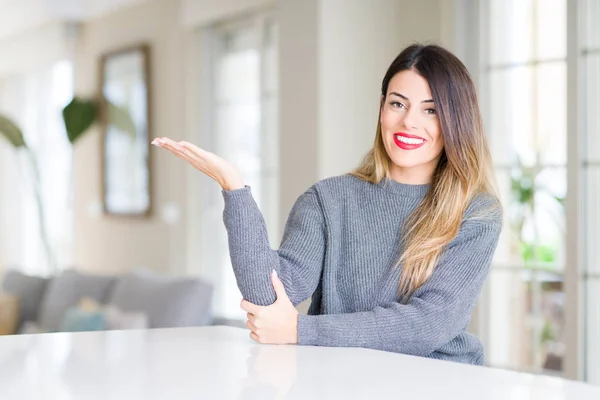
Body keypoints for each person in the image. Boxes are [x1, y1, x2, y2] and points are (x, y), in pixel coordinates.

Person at [152, 43, 502, 365]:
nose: (409, 121)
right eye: (398, 103)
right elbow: (269, 296)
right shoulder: (327, 200)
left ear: (455, 122)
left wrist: (300, 331)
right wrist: (235, 189)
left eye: (431, 110)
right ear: (381, 109)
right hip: (342, 376)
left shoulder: (476, 212)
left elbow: (431, 324)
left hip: (440, 382)